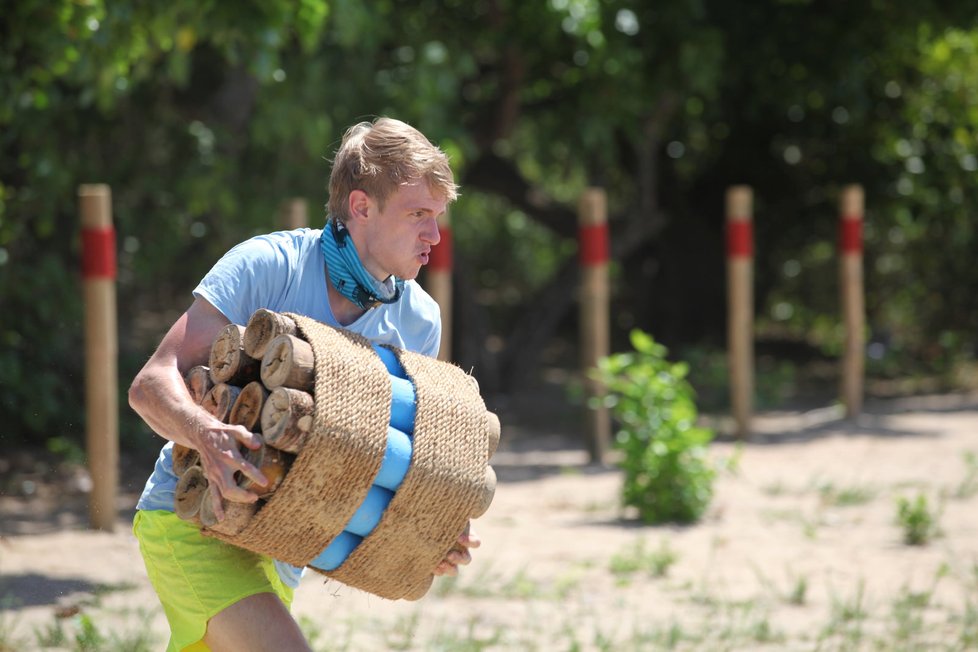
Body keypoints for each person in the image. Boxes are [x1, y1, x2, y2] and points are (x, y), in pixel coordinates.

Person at [128, 117, 480, 652]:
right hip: (191, 520)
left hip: (283, 544)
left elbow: (396, 460)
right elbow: (150, 385)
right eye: (418, 215)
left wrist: (429, 529)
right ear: (362, 207)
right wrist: (206, 433)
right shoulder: (268, 265)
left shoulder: (419, 322)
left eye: (438, 217)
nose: (434, 235)